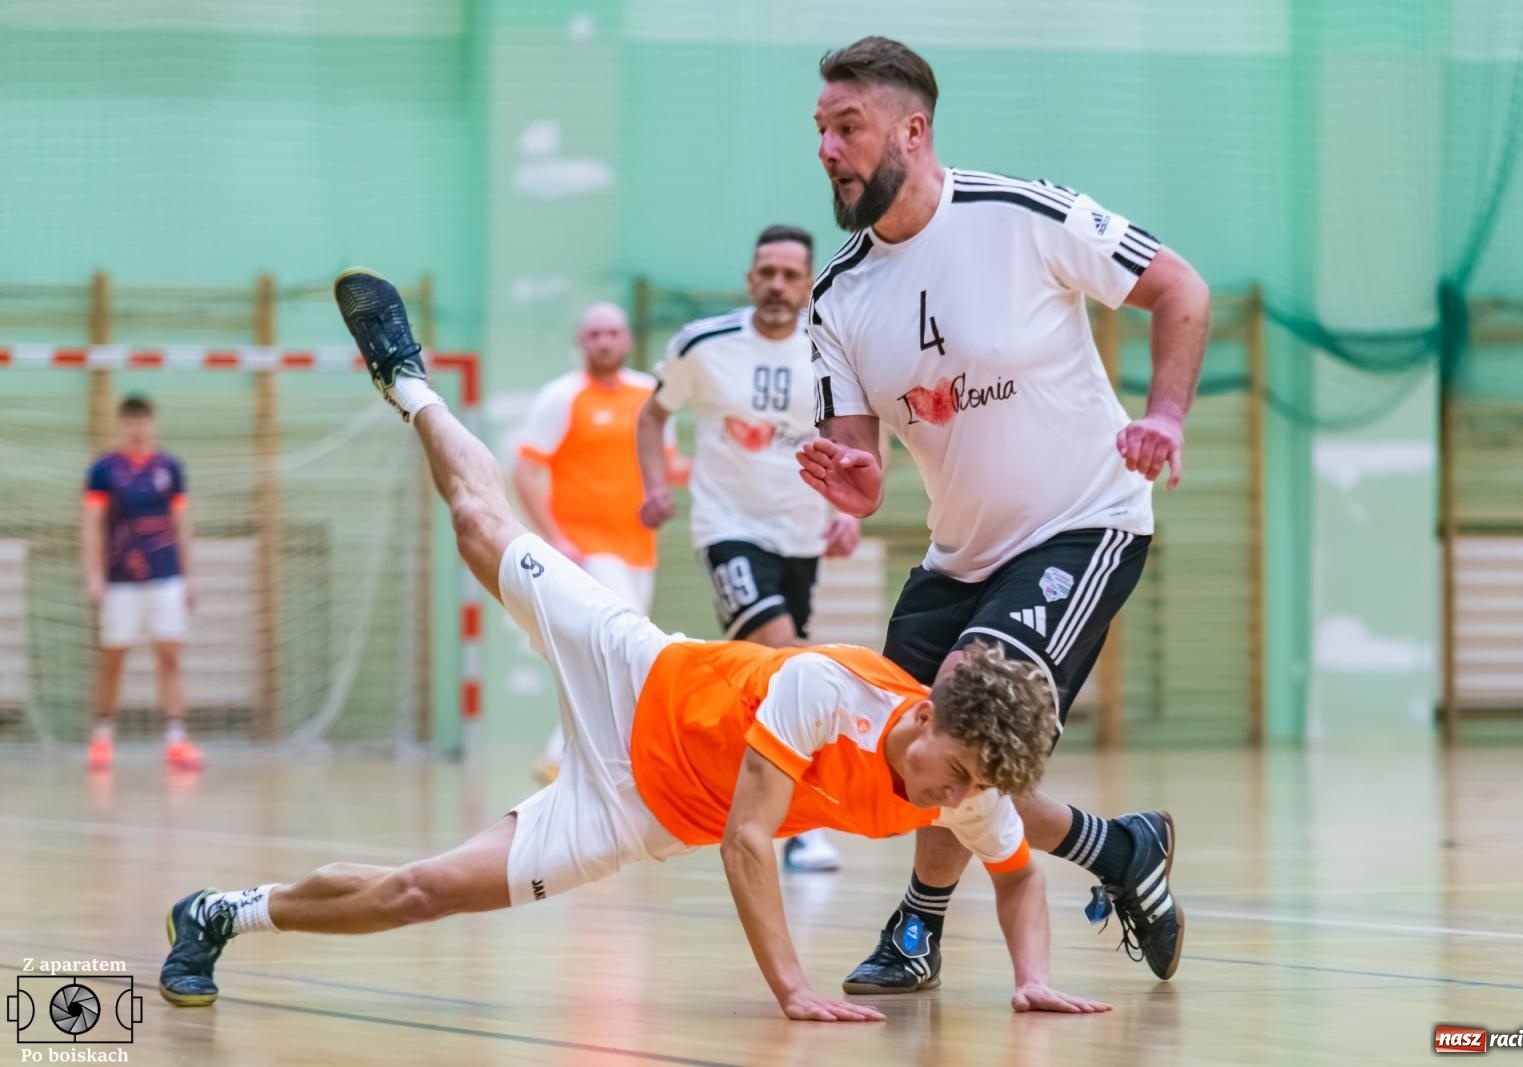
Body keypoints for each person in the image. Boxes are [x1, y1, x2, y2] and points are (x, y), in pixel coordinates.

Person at [157, 270, 1108, 1023]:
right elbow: (746, 839)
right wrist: (792, 988)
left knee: (422, 891)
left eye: (969, 787)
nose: (952, 798)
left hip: (633, 812)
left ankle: (221, 913)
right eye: (957, 772)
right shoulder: (829, 687)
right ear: (928, 713)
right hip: (638, 672)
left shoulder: (970, 786)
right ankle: (408, 385)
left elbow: (1017, 874)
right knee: (480, 528)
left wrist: (1031, 975)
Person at [797, 37, 1211, 992]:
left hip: (1085, 520)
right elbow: (864, 470)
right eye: (819, 130)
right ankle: (1121, 848)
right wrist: (851, 482)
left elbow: (1178, 287)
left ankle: (917, 925)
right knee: (906, 749)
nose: (827, 149)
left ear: (913, 130)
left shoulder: (1021, 214)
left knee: (960, 712)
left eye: (847, 127)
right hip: (960, 554)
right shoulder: (837, 297)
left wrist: (1165, 415)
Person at [637, 224, 861, 874]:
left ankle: (761, 808)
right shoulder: (702, 344)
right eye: (767, 273)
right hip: (727, 527)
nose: (777, 285)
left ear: (809, 282)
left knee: (774, 677)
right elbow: (652, 414)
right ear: (749, 278)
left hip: (801, 534)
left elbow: (853, 438)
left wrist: (848, 512)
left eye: (791, 275)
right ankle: (806, 825)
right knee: (790, 657)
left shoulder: (833, 348)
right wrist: (655, 486)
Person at [510, 303, 679, 776]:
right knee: (624, 647)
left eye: (612, 333)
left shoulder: (650, 395)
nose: (604, 342)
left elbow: (666, 467)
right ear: (580, 342)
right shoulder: (560, 397)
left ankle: (564, 757)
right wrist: (557, 539)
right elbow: (524, 473)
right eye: (594, 334)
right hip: (588, 552)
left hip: (639, 551)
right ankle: (577, 758)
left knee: (613, 655)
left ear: (627, 340)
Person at [82, 394, 203, 772]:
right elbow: (91, 526)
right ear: (121, 425)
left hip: (166, 576)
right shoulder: (103, 471)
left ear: (153, 424)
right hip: (121, 579)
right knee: (113, 656)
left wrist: (189, 577)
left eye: (144, 421)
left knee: (170, 654)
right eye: (131, 421)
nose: (138, 428)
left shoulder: (170, 469)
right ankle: (102, 735)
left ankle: (176, 739)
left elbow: (182, 524)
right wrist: (93, 575)